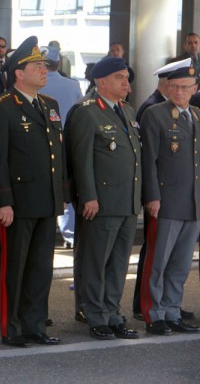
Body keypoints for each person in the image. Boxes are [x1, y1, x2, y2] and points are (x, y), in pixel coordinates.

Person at [0, 36, 68, 348]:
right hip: (18, 202)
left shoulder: (51, 106)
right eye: (37, 66)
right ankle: (11, 325)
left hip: (47, 200)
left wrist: (62, 194)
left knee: (41, 268)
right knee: (15, 266)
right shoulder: (1, 107)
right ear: (19, 72)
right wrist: (3, 200)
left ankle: (35, 324)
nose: (44, 70)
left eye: (44, 65)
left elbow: (56, 154)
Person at [68, 57, 142, 341]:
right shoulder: (86, 112)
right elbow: (81, 160)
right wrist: (88, 196)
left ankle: (113, 314)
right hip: (100, 202)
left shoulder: (128, 111)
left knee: (119, 264)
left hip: (127, 201)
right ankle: (95, 315)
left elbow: (136, 158)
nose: (126, 83)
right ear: (101, 82)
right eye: (120, 77)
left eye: (126, 78)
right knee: (95, 262)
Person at [132, 58, 196, 323]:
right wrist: (152, 197)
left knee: (180, 265)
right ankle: (154, 314)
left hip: (193, 204)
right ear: (167, 88)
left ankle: (172, 311)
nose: (179, 92)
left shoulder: (196, 116)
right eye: (174, 87)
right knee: (157, 263)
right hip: (166, 202)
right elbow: (149, 161)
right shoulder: (155, 114)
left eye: (185, 87)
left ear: (195, 88)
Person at [39, 45, 83, 249]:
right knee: (66, 185)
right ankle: (70, 234)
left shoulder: (39, 84)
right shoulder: (73, 85)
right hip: (68, 140)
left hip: (43, 142)